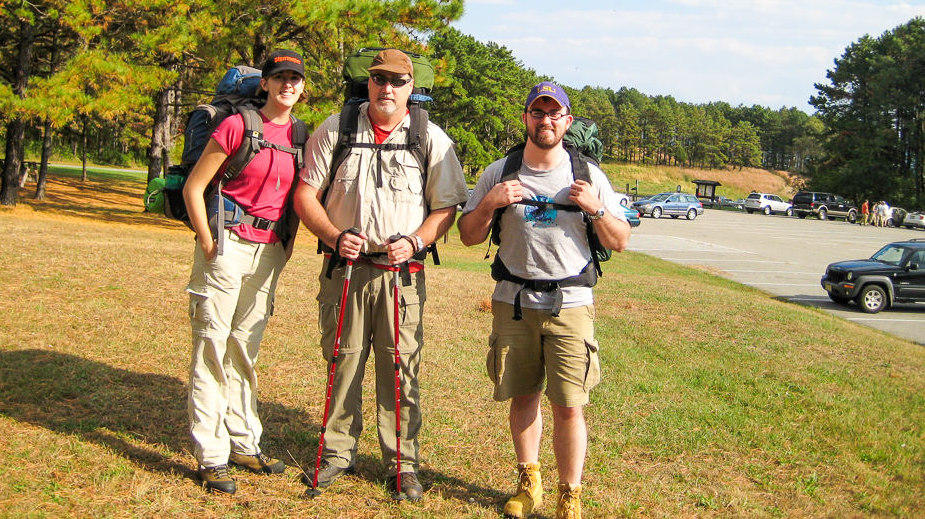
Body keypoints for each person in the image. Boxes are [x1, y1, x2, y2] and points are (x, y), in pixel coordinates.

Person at [294, 48, 469, 501]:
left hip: (401, 276)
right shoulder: (336, 129)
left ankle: (402, 465)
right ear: (367, 83)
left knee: (400, 368)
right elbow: (305, 194)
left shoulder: (430, 137)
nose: (386, 88)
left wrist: (415, 242)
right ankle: (335, 455)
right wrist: (333, 235)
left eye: (396, 81)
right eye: (378, 79)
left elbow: (446, 206)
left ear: (412, 87)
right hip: (345, 270)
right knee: (343, 361)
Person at [456, 81, 631, 519]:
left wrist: (595, 208)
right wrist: (490, 203)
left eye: (555, 114)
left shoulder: (588, 176)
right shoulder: (500, 171)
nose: (546, 120)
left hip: (571, 303)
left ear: (567, 122)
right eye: (538, 112)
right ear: (526, 118)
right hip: (512, 300)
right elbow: (467, 235)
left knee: (569, 406)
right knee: (522, 397)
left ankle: (569, 495)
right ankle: (528, 481)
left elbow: (621, 239)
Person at [182, 49, 307, 495]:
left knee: (243, 349)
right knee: (211, 347)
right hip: (227, 244)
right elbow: (195, 186)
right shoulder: (238, 125)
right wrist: (209, 241)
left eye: (295, 78)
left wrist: (285, 249)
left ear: (302, 88)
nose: (288, 84)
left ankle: (243, 442)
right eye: (280, 77)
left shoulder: (299, 134)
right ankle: (212, 456)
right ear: (266, 84)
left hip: (269, 252)